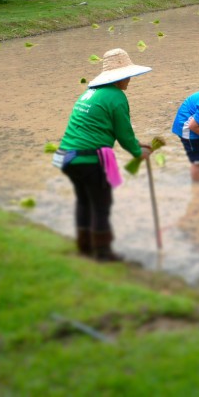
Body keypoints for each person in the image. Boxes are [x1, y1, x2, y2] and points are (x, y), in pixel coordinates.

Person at [56, 48, 153, 262]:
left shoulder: (90, 93)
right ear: (118, 77)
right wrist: (138, 152)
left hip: (67, 156)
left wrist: (136, 144)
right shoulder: (117, 97)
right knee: (101, 204)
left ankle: (84, 247)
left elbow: (100, 128)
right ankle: (102, 253)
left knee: (84, 201)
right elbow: (123, 134)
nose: (129, 80)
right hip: (89, 159)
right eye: (127, 76)